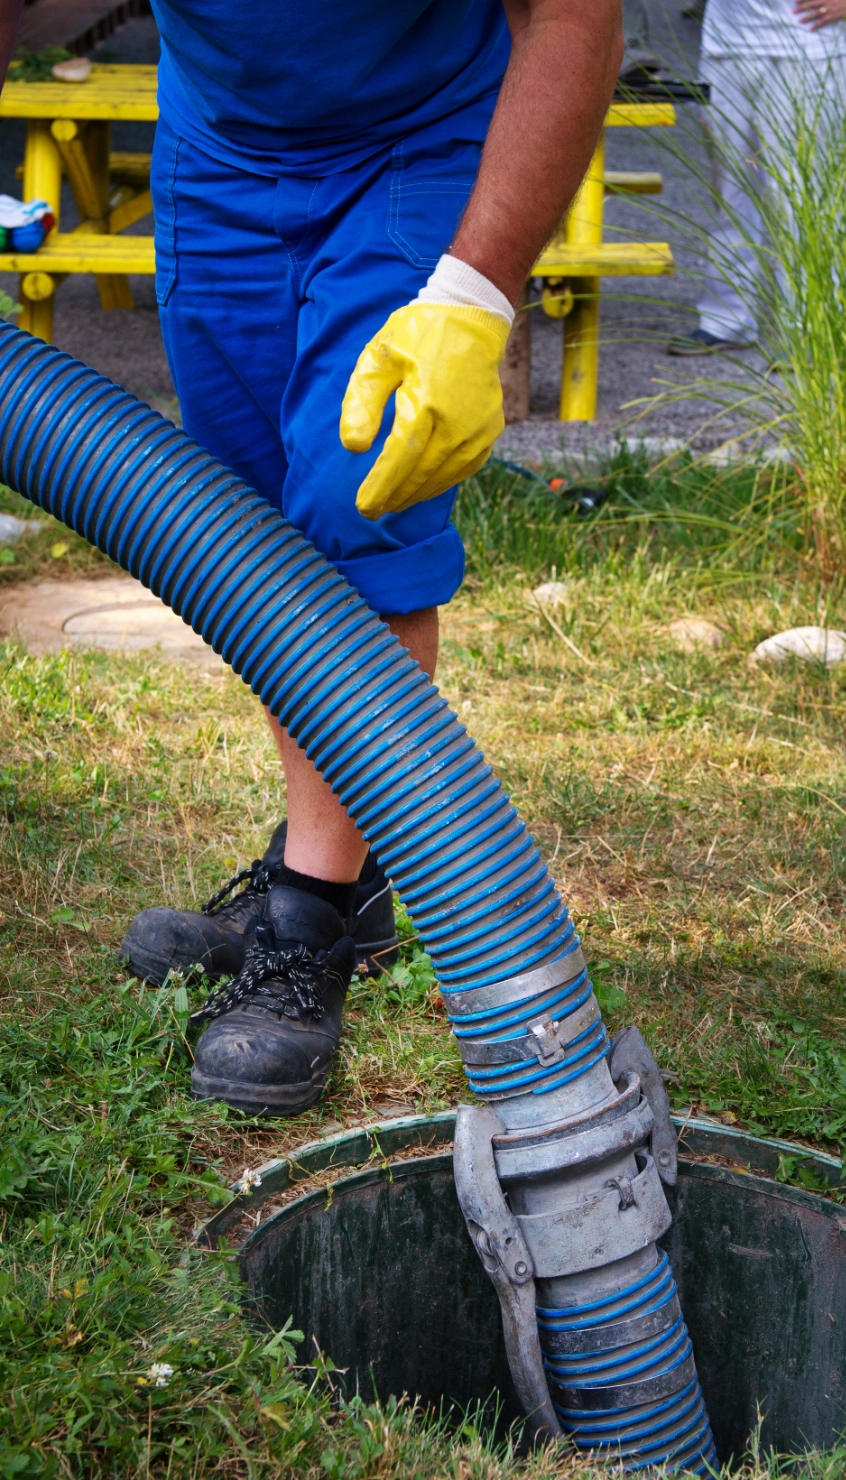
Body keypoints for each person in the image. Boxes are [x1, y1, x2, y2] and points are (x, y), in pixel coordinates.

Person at [0, 0, 623, 1117]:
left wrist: (476, 297)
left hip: (416, 135)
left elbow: (574, 15)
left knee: (356, 498)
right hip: (218, 138)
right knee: (249, 534)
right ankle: (336, 863)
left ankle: (308, 921)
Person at [668, 0, 846, 355]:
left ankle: (811, 328)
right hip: (726, 42)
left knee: (802, 197)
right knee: (729, 191)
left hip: (811, 46)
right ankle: (726, 319)